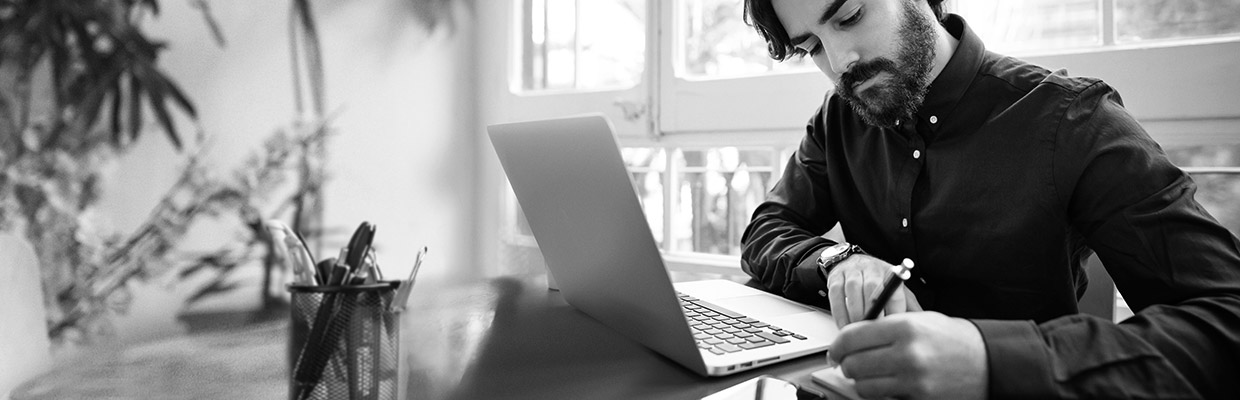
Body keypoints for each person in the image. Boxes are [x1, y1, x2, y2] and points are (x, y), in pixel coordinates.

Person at [738, 0, 1240, 398]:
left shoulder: (1073, 121)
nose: (840, 62)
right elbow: (765, 231)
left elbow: (1225, 320)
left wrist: (989, 361)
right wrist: (836, 260)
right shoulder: (839, 119)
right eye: (812, 48)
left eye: (850, 16)